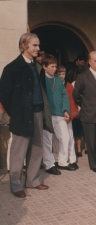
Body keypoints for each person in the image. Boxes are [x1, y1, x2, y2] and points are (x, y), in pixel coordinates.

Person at [0, 33, 52, 198]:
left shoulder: (37, 67)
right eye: (34, 45)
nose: (38, 48)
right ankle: (16, 185)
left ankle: (33, 180)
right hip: (22, 114)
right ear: (24, 46)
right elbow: (4, 95)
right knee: (19, 151)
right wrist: (15, 112)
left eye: (38, 45)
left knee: (37, 148)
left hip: (37, 112)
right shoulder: (12, 68)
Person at [41, 54, 76, 173]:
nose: (55, 69)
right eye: (52, 66)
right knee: (47, 141)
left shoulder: (58, 80)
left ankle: (62, 161)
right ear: (44, 66)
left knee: (65, 137)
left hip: (59, 114)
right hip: (47, 115)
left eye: (55, 66)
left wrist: (66, 110)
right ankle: (49, 164)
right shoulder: (41, 80)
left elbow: (64, 95)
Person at [56, 65, 79, 163]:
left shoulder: (69, 86)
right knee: (56, 139)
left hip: (67, 115)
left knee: (69, 138)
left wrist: (71, 115)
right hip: (57, 115)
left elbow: (72, 101)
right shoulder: (53, 85)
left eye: (63, 74)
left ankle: (72, 159)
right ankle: (57, 159)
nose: (62, 76)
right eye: (59, 74)